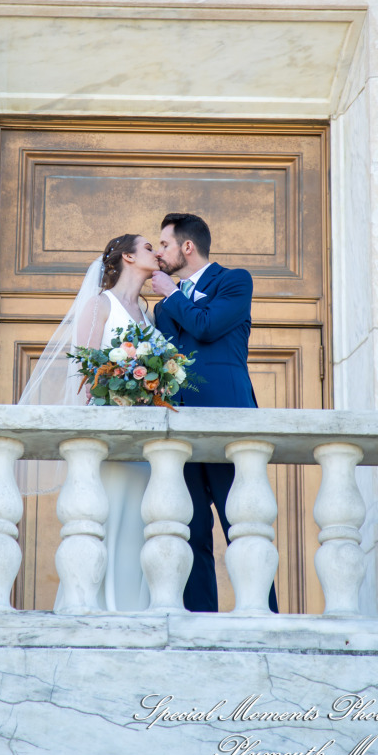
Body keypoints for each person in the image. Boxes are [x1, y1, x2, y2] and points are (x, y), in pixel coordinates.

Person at [19, 232, 159, 611]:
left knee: (139, 530)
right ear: (128, 258)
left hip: (144, 447)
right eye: (149, 247)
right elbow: (85, 376)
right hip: (111, 443)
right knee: (107, 522)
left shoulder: (149, 313)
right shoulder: (99, 305)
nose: (157, 252)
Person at [152, 212, 278, 614]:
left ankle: (263, 615)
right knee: (190, 532)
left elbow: (207, 327)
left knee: (243, 524)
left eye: (165, 245)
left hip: (232, 423)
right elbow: (171, 359)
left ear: (187, 247)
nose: (159, 253)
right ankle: (197, 620)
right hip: (182, 427)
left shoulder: (235, 280)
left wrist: (173, 294)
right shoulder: (164, 307)